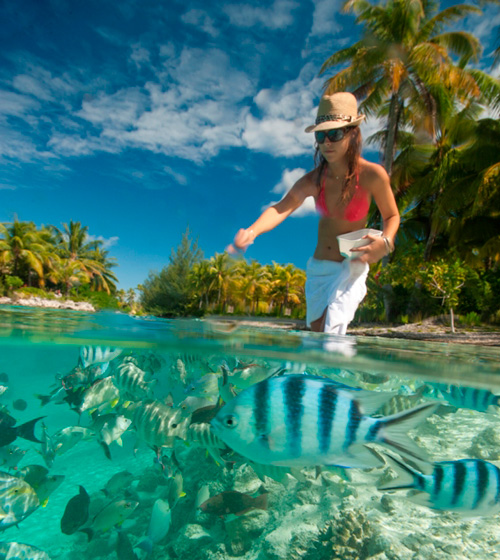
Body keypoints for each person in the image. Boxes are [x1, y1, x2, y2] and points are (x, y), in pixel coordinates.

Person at [228, 92, 400, 334]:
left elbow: (392, 216)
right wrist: (252, 231)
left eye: (335, 133)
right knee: (316, 338)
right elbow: (281, 207)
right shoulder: (314, 180)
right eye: (321, 135)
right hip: (319, 270)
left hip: (352, 266)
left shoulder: (373, 175)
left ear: (352, 133)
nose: (327, 142)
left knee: (332, 335)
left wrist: (386, 242)